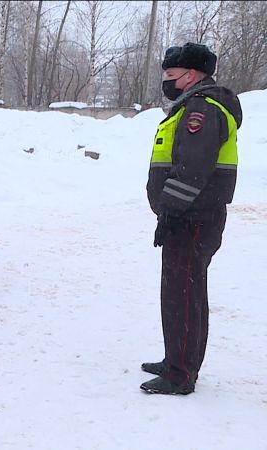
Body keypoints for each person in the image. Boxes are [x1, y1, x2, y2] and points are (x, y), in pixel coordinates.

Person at [141, 42, 242, 395]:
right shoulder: (195, 106)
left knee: (181, 294)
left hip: (192, 218)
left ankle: (180, 373)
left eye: (170, 75)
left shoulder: (201, 109)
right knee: (187, 292)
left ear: (192, 75)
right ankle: (178, 360)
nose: (166, 81)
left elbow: (191, 170)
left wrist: (170, 212)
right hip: (194, 215)